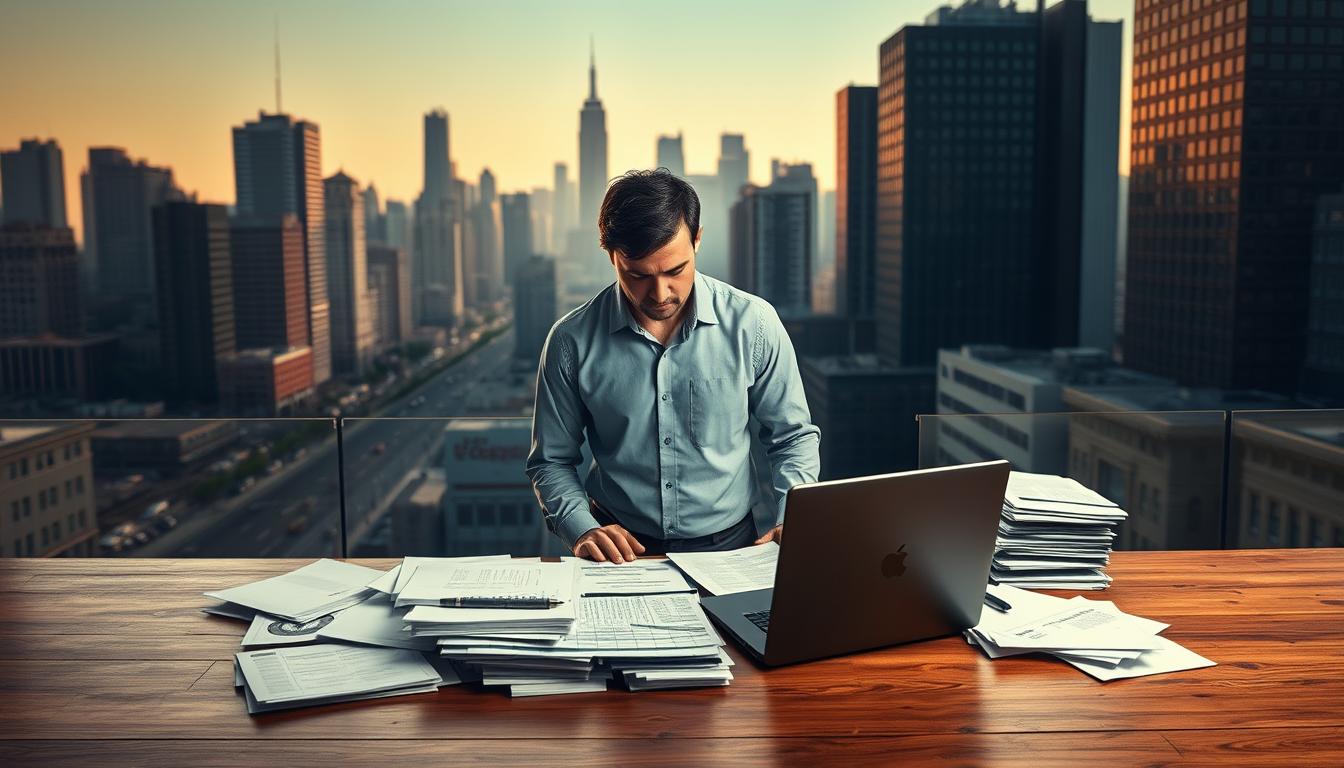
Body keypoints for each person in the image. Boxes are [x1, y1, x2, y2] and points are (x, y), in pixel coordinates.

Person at [525, 168, 820, 563]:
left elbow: (792, 437)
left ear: (696, 240)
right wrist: (582, 528)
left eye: (675, 270)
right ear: (610, 255)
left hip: (732, 548)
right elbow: (551, 461)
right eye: (638, 275)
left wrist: (794, 519)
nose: (660, 293)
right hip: (619, 550)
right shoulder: (570, 341)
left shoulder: (754, 324)